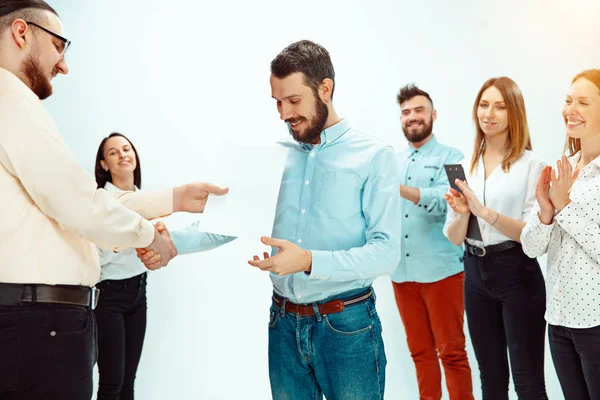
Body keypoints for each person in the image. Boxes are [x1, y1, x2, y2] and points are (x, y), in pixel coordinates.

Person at [0, 2, 226, 398]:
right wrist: (148, 237)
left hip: (36, 319)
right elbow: (80, 203)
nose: (64, 65)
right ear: (22, 33)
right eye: (58, 46)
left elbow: (84, 202)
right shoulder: (10, 99)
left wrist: (176, 198)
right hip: (38, 323)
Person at [246, 40, 401, 400]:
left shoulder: (374, 156)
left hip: (347, 327)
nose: (284, 113)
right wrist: (169, 243)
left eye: (294, 101)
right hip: (282, 325)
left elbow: (386, 252)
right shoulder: (275, 157)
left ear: (325, 89)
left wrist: (309, 261)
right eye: (278, 102)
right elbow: (231, 219)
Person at [94, 132, 235, 400]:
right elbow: (103, 252)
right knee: (111, 382)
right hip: (108, 296)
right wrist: (144, 238)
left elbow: (176, 238)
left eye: (126, 148)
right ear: (103, 164)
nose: (123, 154)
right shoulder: (102, 200)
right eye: (114, 152)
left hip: (138, 293)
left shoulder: (147, 201)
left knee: (128, 382)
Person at [443, 77, 548, 399]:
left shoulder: (533, 165)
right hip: (474, 273)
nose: (489, 113)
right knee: (490, 378)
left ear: (514, 113)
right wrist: (463, 212)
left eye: (500, 106)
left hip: (518, 273)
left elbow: (532, 235)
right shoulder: (464, 166)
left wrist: (484, 212)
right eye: (484, 104)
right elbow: (453, 236)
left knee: (528, 381)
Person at [521, 69, 600, 400]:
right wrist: (545, 210)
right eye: (568, 100)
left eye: (584, 101)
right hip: (559, 318)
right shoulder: (564, 167)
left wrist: (565, 204)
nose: (572, 109)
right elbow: (530, 247)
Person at [392, 84, 473, 400]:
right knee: (419, 353)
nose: (412, 117)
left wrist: (399, 189)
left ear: (433, 115)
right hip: (402, 275)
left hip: (442, 274)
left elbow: (447, 200)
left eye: (419, 110)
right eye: (406, 112)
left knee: (452, 353)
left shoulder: (452, 157)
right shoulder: (393, 161)